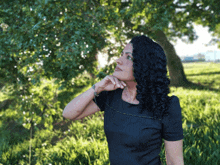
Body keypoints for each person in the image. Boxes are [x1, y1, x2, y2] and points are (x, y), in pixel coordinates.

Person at [63, 35, 184, 165]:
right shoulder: (111, 95)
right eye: (121, 55)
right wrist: (97, 87)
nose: (118, 60)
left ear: (144, 65)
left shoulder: (167, 106)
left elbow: (174, 161)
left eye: (128, 57)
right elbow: (68, 113)